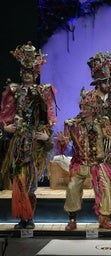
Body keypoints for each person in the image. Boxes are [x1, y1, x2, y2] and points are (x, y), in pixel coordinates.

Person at [0, 41, 57, 229]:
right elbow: (6, 114)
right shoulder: (14, 91)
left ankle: (29, 217)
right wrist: (6, 127)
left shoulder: (43, 91)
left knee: (31, 180)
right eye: (24, 71)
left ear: (36, 72)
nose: (27, 75)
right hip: (19, 140)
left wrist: (46, 135)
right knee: (19, 177)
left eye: (30, 71)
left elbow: (49, 115)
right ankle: (22, 217)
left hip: (34, 141)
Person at [57, 88, 111, 231]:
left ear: (93, 109)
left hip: (97, 164)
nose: (83, 110)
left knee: (105, 188)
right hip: (79, 164)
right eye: (81, 107)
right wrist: (62, 141)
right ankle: (72, 220)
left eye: (86, 107)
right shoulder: (72, 123)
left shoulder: (102, 122)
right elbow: (66, 141)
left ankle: (104, 219)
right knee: (72, 187)